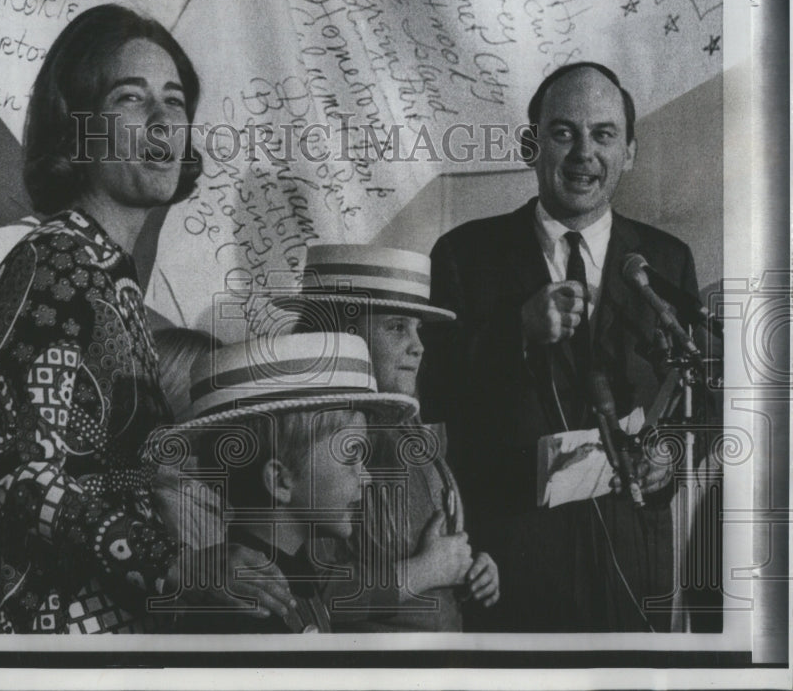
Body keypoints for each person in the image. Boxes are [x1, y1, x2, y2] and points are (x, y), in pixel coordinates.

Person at [0, 5, 295, 634]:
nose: (163, 119)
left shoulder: (104, 275)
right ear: (77, 128)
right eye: (131, 98)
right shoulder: (55, 263)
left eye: (174, 101)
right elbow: (26, 484)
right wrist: (177, 563)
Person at [422, 62, 704, 632]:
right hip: (506, 565)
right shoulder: (462, 255)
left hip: (632, 563)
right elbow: (431, 393)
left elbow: (702, 393)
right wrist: (515, 333)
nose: (584, 153)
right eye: (563, 132)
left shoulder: (667, 261)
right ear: (531, 144)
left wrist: (669, 456)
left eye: (603, 134)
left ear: (630, 151)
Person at [275, 244, 499, 631]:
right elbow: (315, 596)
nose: (418, 345)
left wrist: (472, 569)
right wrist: (427, 570)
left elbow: (433, 544)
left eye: (418, 328)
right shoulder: (317, 441)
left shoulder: (407, 428)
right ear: (340, 336)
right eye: (396, 327)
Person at [153, 332, 420, 633]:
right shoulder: (250, 602)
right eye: (350, 455)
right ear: (280, 480)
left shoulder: (295, 574)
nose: (366, 476)